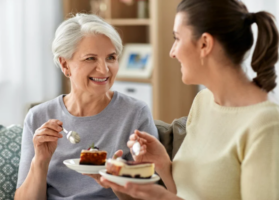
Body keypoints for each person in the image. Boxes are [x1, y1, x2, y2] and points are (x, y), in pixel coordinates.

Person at [101, 0, 279, 199]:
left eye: (177, 38)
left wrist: (159, 197)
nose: (172, 52)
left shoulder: (266, 124)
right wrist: (163, 165)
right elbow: (183, 193)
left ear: (205, 44)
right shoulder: (203, 102)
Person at [14, 14, 158, 200]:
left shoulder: (135, 114)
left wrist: (114, 179)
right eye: (91, 58)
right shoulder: (38, 117)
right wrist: (40, 161)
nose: (104, 69)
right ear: (65, 64)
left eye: (111, 58)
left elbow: (152, 196)